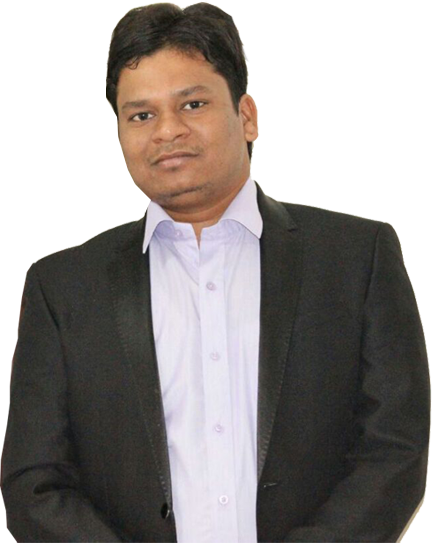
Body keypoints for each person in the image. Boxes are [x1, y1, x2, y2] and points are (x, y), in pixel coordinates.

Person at [3, 3, 429, 542]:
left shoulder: (356, 259)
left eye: (193, 103)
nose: (167, 131)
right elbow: (36, 483)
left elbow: (394, 449)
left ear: (246, 116)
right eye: (141, 116)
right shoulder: (64, 289)